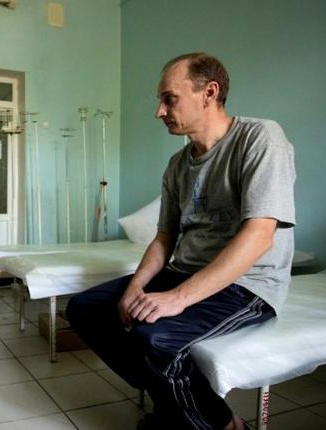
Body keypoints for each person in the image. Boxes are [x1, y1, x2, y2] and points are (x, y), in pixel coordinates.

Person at [66, 53, 295, 430]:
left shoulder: (260, 137)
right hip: (181, 272)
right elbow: (164, 237)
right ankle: (174, 401)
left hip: (247, 284)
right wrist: (136, 287)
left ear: (209, 93)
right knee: (86, 308)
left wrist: (177, 298)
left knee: (153, 336)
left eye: (169, 98)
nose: (159, 111)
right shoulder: (177, 164)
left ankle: (221, 424)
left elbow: (259, 236)